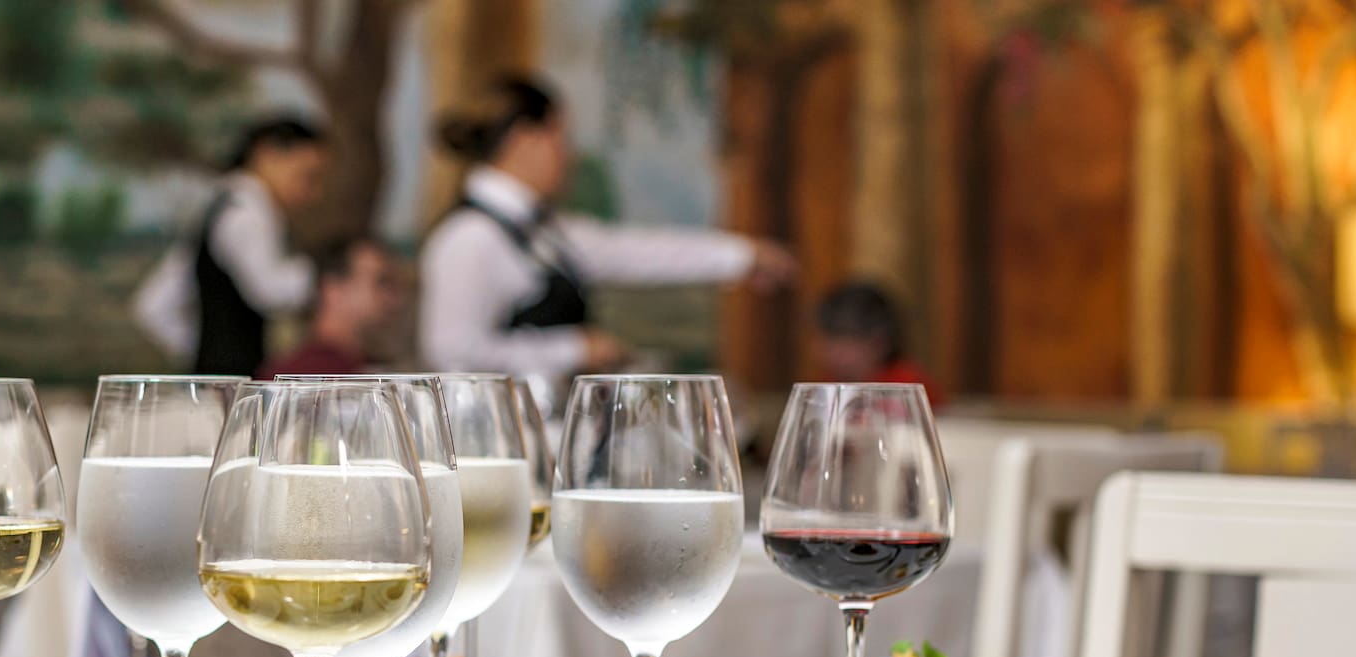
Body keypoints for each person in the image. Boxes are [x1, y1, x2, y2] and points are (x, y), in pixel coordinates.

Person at [419, 75, 797, 380]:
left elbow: (635, 252)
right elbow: (451, 354)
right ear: (524, 139)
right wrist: (575, 349)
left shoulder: (546, 230)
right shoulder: (468, 238)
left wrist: (744, 256)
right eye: (560, 137)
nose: (568, 155)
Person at [132, 117, 329, 376]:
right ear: (266, 155)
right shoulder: (247, 213)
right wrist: (328, 274)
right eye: (307, 177)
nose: (314, 194)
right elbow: (270, 290)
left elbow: (154, 305)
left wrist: (204, 355)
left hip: (222, 380)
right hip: (236, 386)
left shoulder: (222, 206)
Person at [259, 237, 400, 378]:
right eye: (381, 282)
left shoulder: (363, 365)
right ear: (333, 290)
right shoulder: (300, 375)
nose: (394, 298)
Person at [813, 280, 943, 405]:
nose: (833, 352)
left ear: (880, 342)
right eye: (828, 340)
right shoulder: (830, 383)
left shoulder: (906, 386)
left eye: (847, 341)